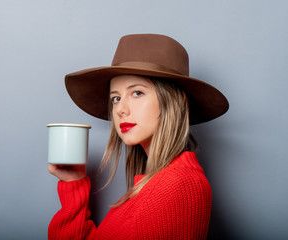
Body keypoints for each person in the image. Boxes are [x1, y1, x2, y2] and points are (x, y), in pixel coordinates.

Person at [48, 34, 229, 239]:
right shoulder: (155, 184)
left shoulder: (177, 186)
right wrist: (74, 184)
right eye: (116, 98)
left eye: (137, 93)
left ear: (175, 102)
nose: (120, 110)